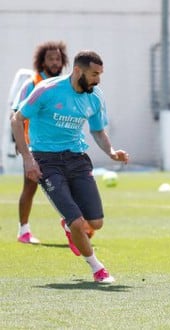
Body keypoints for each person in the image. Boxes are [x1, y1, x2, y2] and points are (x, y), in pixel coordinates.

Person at [11, 50, 128, 283]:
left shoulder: (95, 96)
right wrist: (28, 159)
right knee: (77, 222)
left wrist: (112, 152)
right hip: (46, 160)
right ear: (77, 71)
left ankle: (68, 224)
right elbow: (17, 119)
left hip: (76, 158)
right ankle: (98, 268)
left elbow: (97, 130)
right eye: (94, 74)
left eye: (100, 74)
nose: (98, 80)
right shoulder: (47, 90)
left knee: (95, 223)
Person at [11, 41, 69, 244]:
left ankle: (73, 223)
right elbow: (16, 113)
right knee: (30, 187)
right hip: (34, 146)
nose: (55, 62)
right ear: (42, 62)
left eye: (58, 59)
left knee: (67, 184)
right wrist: (18, 142)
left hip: (59, 146)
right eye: (51, 59)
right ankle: (23, 231)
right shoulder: (32, 84)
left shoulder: (64, 84)